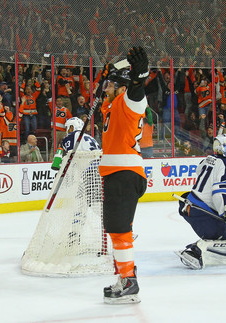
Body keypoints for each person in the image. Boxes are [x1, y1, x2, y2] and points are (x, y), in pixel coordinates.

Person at [100, 47, 148, 305]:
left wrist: (138, 77)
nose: (106, 88)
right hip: (120, 174)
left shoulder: (128, 102)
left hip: (124, 173)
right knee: (117, 228)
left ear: (121, 87)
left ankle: (128, 280)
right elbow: (104, 95)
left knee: (118, 229)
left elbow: (137, 93)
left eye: (110, 84)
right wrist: (111, 73)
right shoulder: (112, 105)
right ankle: (125, 275)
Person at [175, 134, 226, 269]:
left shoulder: (208, 159)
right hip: (202, 212)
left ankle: (203, 245)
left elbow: (199, 172)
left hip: (189, 207)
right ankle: (197, 251)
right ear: (225, 148)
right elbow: (220, 192)